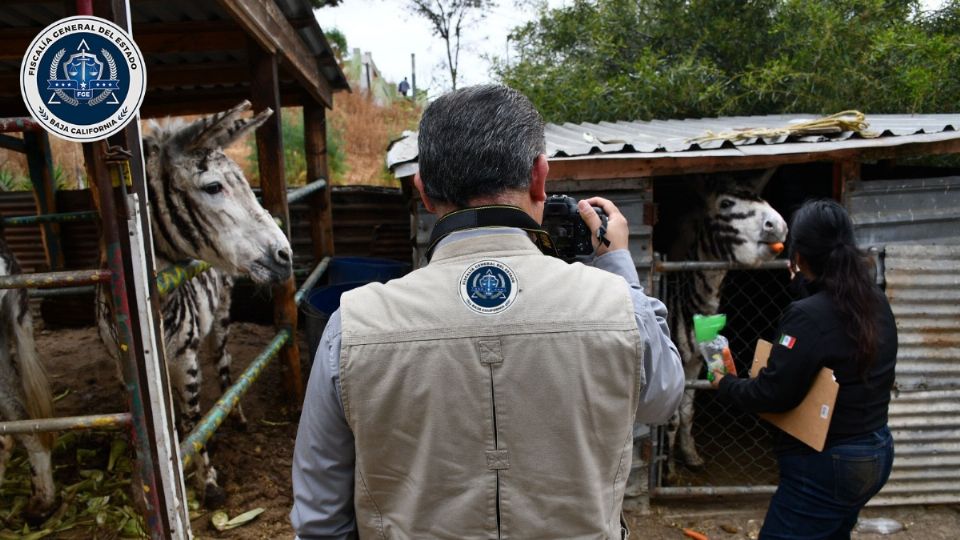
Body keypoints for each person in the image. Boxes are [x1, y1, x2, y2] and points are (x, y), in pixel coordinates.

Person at [291, 84, 684, 539]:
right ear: (540, 177)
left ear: (422, 190)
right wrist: (619, 269)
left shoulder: (352, 325)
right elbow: (662, 398)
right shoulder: (621, 306)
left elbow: (320, 519)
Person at [713, 199, 897, 539]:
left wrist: (726, 384)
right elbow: (830, 323)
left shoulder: (806, 316)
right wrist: (802, 286)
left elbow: (774, 393)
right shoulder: (873, 300)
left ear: (797, 255)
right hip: (875, 450)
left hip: (829, 461)